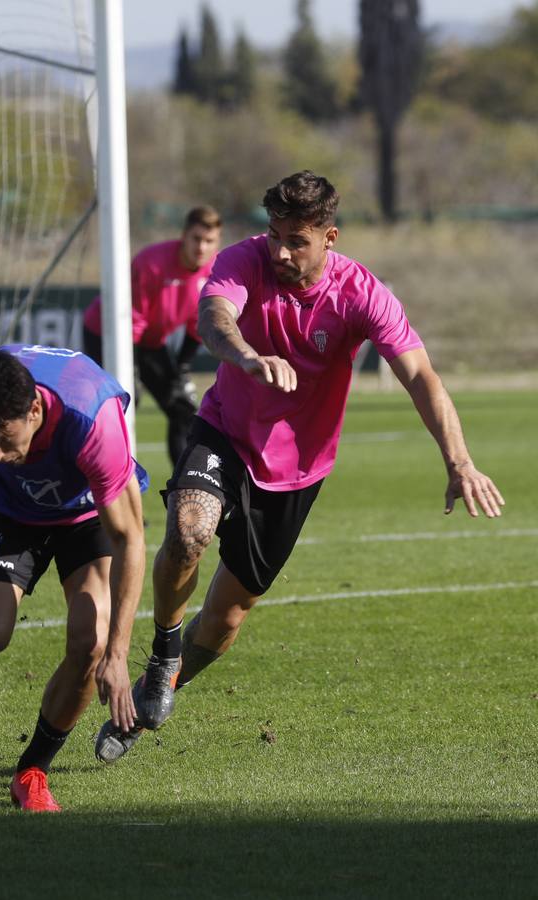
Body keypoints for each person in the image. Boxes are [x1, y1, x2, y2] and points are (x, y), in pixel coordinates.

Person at [94, 170, 505, 763]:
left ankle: (164, 684)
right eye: (275, 234)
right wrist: (248, 357)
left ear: (330, 237)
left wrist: (459, 461)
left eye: (298, 240)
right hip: (225, 432)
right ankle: (162, 654)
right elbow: (214, 321)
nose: (281, 251)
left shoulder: (362, 294)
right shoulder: (244, 260)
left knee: (227, 617)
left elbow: (419, 375)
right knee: (189, 531)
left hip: (297, 471)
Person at [0, 344, 148, 810]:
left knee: (91, 642)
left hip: (85, 518)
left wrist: (119, 655)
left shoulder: (91, 421)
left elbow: (130, 541)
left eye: (4, 439)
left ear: (36, 409)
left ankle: (32, 770)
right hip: (10, 513)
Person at [82, 205, 222, 465]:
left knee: (184, 410)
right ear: (184, 236)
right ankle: (98, 478)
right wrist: (131, 370)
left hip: (150, 341)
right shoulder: (153, 263)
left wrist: (181, 368)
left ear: (217, 242)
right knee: (120, 408)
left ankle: (184, 486)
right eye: (196, 239)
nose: (201, 247)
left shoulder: (216, 270)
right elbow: (131, 319)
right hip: (108, 334)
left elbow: (196, 324)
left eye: (209, 241)